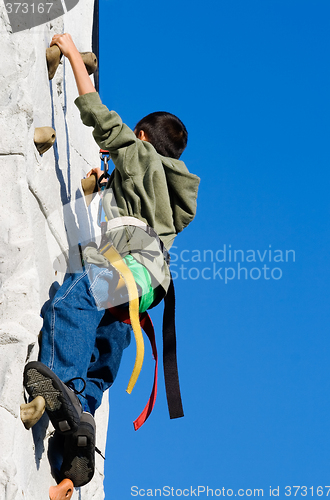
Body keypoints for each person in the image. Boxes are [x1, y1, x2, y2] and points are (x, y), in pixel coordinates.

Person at [23, 33, 200, 489]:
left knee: (67, 304)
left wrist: (68, 46)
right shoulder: (168, 187)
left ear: (143, 137)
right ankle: (75, 439)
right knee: (107, 342)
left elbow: (98, 113)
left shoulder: (138, 153)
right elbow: (139, 203)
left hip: (128, 264)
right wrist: (108, 185)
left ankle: (63, 385)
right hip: (148, 287)